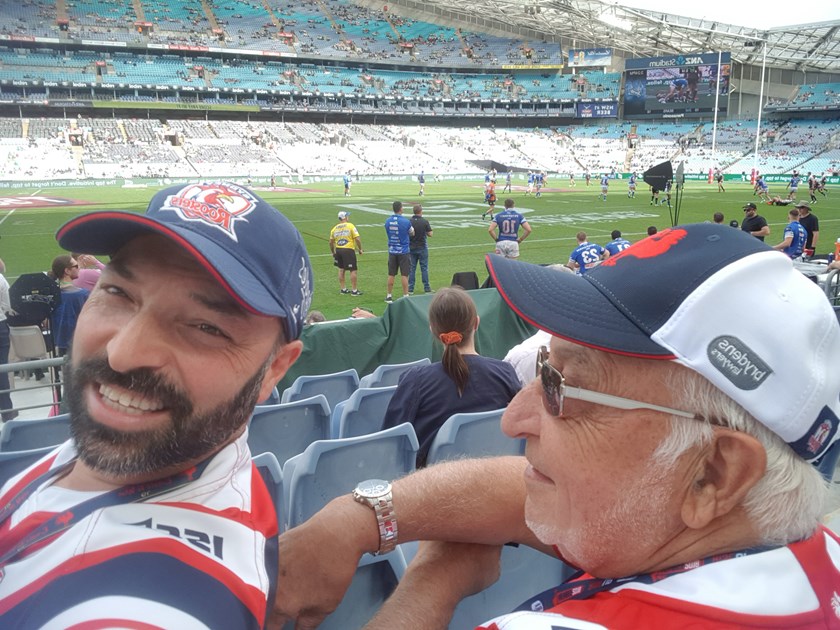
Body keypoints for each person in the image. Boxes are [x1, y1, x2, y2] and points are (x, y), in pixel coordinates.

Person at [274, 223, 840, 629]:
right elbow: (538, 493)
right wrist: (359, 519)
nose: (516, 418)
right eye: (545, 368)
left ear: (713, 474)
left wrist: (433, 582)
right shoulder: (807, 548)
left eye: (563, 389)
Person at [1, 181, 311, 628]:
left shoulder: (153, 603)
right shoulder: (154, 449)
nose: (122, 354)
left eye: (206, 327)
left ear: (275, 369)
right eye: (118, 294)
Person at [381, 287, 520, 467]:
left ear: (432, 329)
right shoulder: (504, 373)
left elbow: (390, 443)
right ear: (476, 323)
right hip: (494, 481)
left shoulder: (417, 381)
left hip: (434, 488)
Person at [49, 254, 90, 357]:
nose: (79, 268)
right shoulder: (83, 294)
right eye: (76, 266)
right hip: (80, 344)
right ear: (67, 271)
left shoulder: (52, 294)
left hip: (61, 343)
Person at [385, 200, 414, 304]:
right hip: (403, 251)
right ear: (401, 208)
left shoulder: (388, 221)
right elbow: (412, 232)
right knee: (404, 274)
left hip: (392, 250)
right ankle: (405, 295)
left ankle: (389, 295)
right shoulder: (406, 221)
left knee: (391, 274)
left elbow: (388, 232)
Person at [329, 210, 364, 296]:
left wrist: (333, 252)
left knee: (341, 269)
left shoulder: (334, 228)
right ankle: (354, 291)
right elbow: (357, 239)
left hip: (338, 250)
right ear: (345, 217)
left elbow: (330, 242)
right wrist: (360, 249)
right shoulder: (350, 226)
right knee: (353, 270)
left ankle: (343, 289)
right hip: (348, 250)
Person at [0, 258, 15, 421]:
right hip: (0, 326)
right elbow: (7, 305)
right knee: (2, 369)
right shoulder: (1, 279)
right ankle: (6, 410)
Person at [408, 204, 433, 295]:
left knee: (411, 269)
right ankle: (427, 288)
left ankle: (410, 288)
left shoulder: (409, 221)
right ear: (421, 211)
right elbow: (430, 234)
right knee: (424, 268)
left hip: (411, 248)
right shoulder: (424, 221)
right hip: (422, 247)